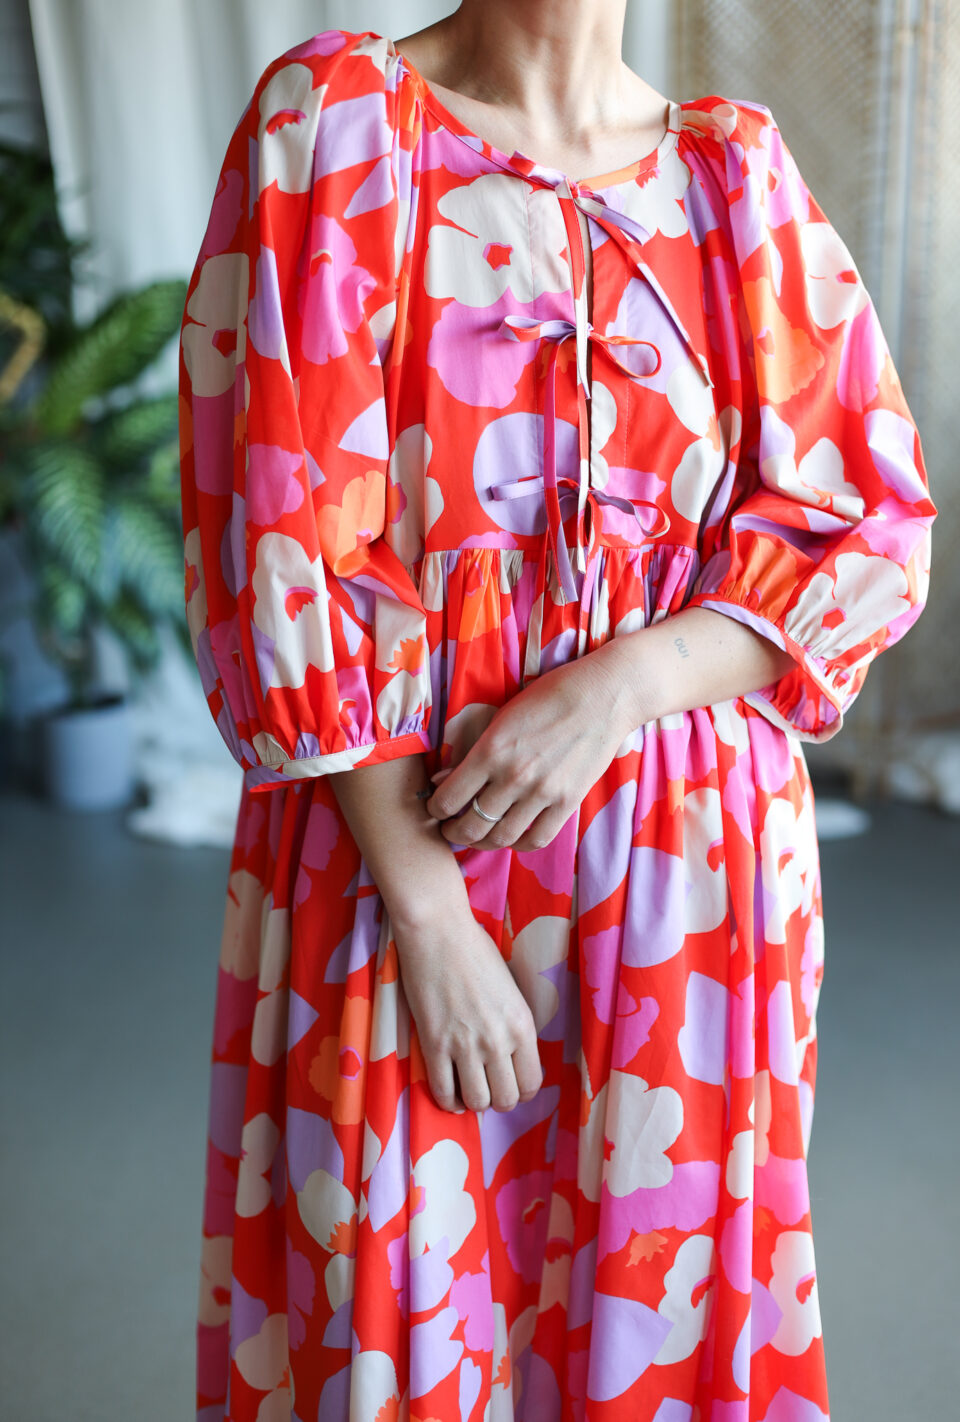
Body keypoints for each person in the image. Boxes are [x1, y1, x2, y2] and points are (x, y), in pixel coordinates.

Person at [178, 4, 935, 1418]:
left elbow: (871, 527)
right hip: (404, 851)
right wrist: (426, 911)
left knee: (661, 1324)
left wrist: (625, 683)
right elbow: (281, 534)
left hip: (695, 907)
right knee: (391, 1312)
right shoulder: (336, 123)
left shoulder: (735, 178)